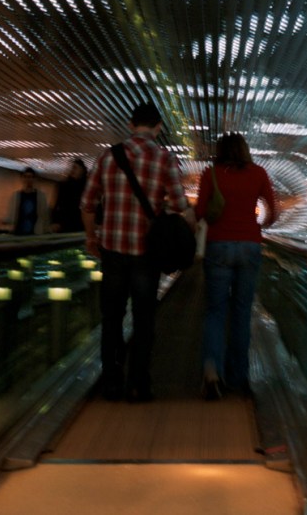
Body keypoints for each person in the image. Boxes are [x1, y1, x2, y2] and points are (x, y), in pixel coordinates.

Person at [80, 102, 196, 402]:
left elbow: (87, 203)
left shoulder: (107, 157)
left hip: (112, 251)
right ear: (158, 128)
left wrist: (91, 238)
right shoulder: (165, 158)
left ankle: (111, 383)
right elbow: (180, 205)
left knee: (112, 318)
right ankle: (138, 385)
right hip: (147, 253)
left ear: (130, 125)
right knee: (144, 320)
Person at [195, 133, 277, 400]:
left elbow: (200, 212)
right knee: (242, 312)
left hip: (218, 246)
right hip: (250, 246)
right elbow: (273, 213)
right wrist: (256, 225)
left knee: (215, 311)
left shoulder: (211, 174)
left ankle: (211, 372)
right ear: (244, 150)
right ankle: (238, 377)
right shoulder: (259, 173)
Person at [5, 167, 50, 235]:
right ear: (22, 178)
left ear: (34, 179)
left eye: (30, 177)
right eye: (25, 177)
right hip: (18, 232)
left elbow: (44, 216)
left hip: (35, 233)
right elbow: (12, 214)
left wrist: (46, 230)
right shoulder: (16, 196)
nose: (28, 179)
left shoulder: (41, 196)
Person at [50, 158, 87, 232]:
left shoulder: (86, 187)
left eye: (75, 168)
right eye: (72, 167)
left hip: (80, 224)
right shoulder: (63, 186)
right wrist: (55, 221)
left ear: (82, 171)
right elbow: (57, 205)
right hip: (64, 224)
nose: (72, 170)